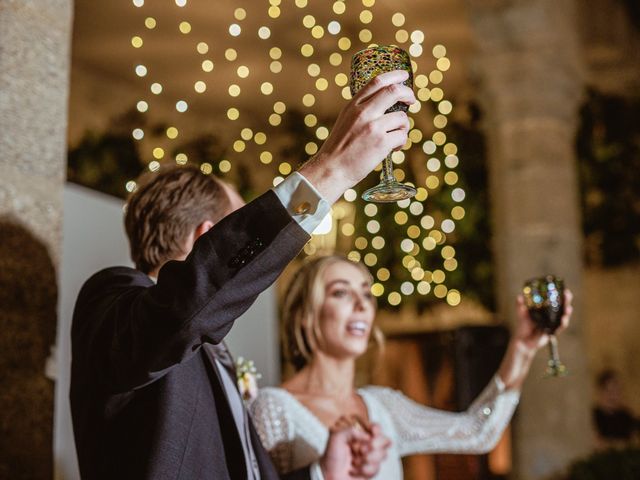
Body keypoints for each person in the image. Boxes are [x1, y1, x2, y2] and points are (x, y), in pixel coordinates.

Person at [69, 70, 415, 479]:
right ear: (209, 238)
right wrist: (331, 171)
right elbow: (179, 311)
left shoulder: (204, 345)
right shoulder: (113, 298)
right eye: (240, 225)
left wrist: (323, 471)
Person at [251, 254, 574, 478]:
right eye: (341, 293)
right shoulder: (275, 409)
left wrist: (522, 347)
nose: (362, 305)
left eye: (366, 294)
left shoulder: (383, 406)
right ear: (306, 315)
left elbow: (478, 432)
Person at [592, 369, 639, 449]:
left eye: (618, 390)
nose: (615, 395)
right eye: (611, 391)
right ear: (601, 391)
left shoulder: (625, 415)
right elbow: (598, 443)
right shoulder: (594, 415)